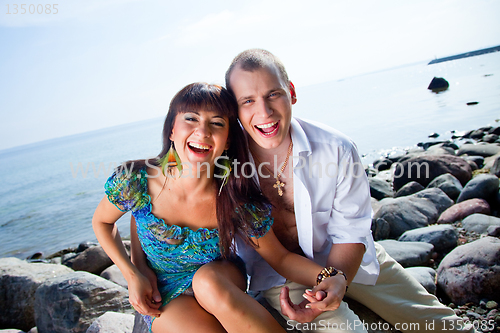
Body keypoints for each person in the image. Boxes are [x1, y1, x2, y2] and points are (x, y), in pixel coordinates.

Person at [222, 48, 476, 333]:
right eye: (248, 101)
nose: (265, 112)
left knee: (442, 325)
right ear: (234, 110)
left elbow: (351, 229)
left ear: (291, 92)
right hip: (279, 274)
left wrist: (340, 277)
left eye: (273, 94)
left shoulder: (337, 149)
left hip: (344, 253)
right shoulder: (226, 166)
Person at [93, 82, 367, 333]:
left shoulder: (233, 197)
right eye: (190, 119)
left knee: (206, 281)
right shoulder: (135, 180)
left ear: (227, 141)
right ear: (172, 129)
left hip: (219, 278)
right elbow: (103, 223)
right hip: (162, 290)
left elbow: (280, 258)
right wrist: (133, 274)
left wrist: (330, 277)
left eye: (217, 123)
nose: (202, 132)